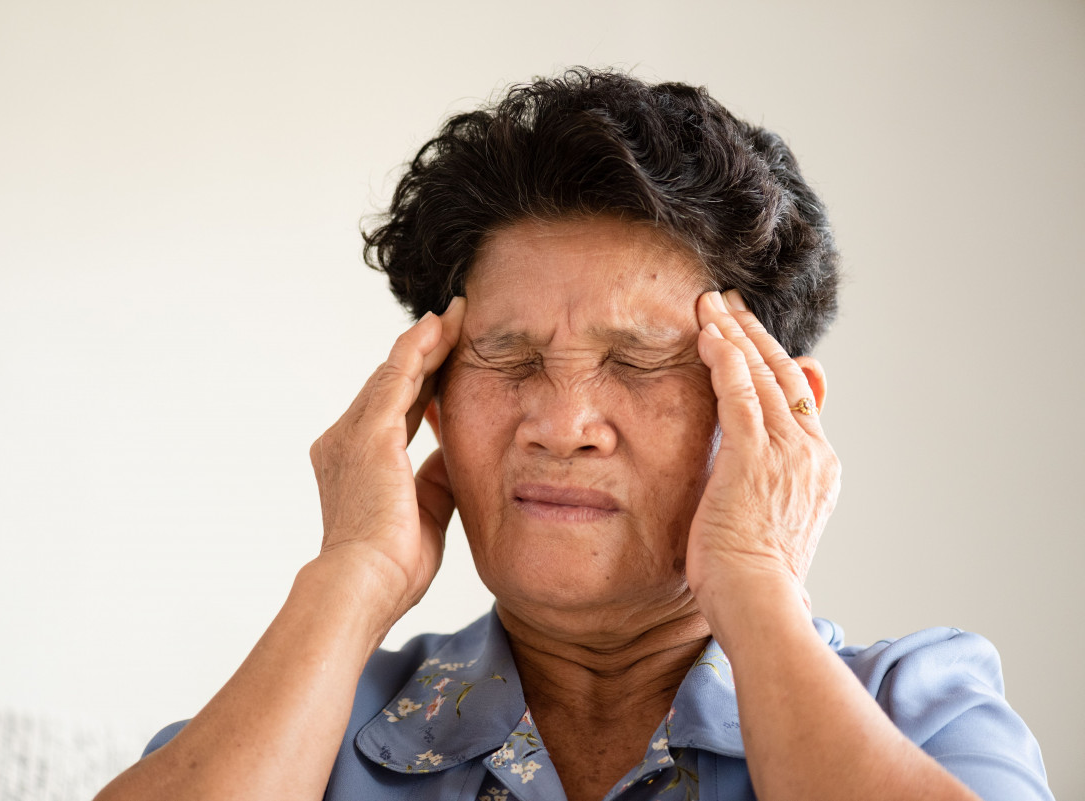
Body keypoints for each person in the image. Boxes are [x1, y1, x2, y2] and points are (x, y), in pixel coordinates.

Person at [94, 69, 1053, 801]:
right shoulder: (321, 718)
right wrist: (350, 574)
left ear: (777, 415)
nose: (560, 426)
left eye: (639, 364)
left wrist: (758, 583)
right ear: (427, 400)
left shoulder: (919, 703)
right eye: (507, 362)